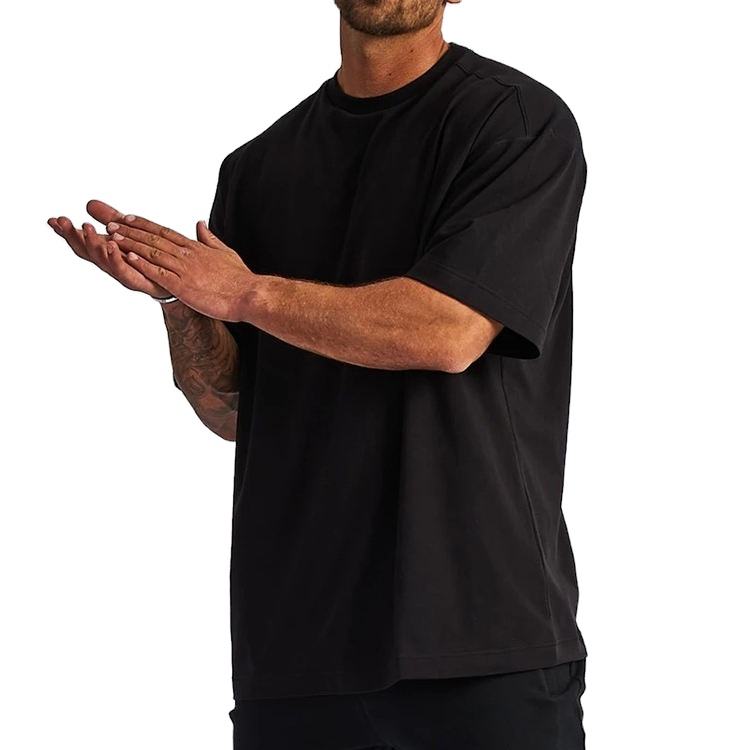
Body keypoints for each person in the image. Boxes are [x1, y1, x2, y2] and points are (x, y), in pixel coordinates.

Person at [48, 1, 589, 746]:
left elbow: (451, 331)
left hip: (477, 643)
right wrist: (179, 298)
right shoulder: (258, 168)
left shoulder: (514, 124)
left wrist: (244, 293)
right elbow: (235, 413)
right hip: (293, 655)